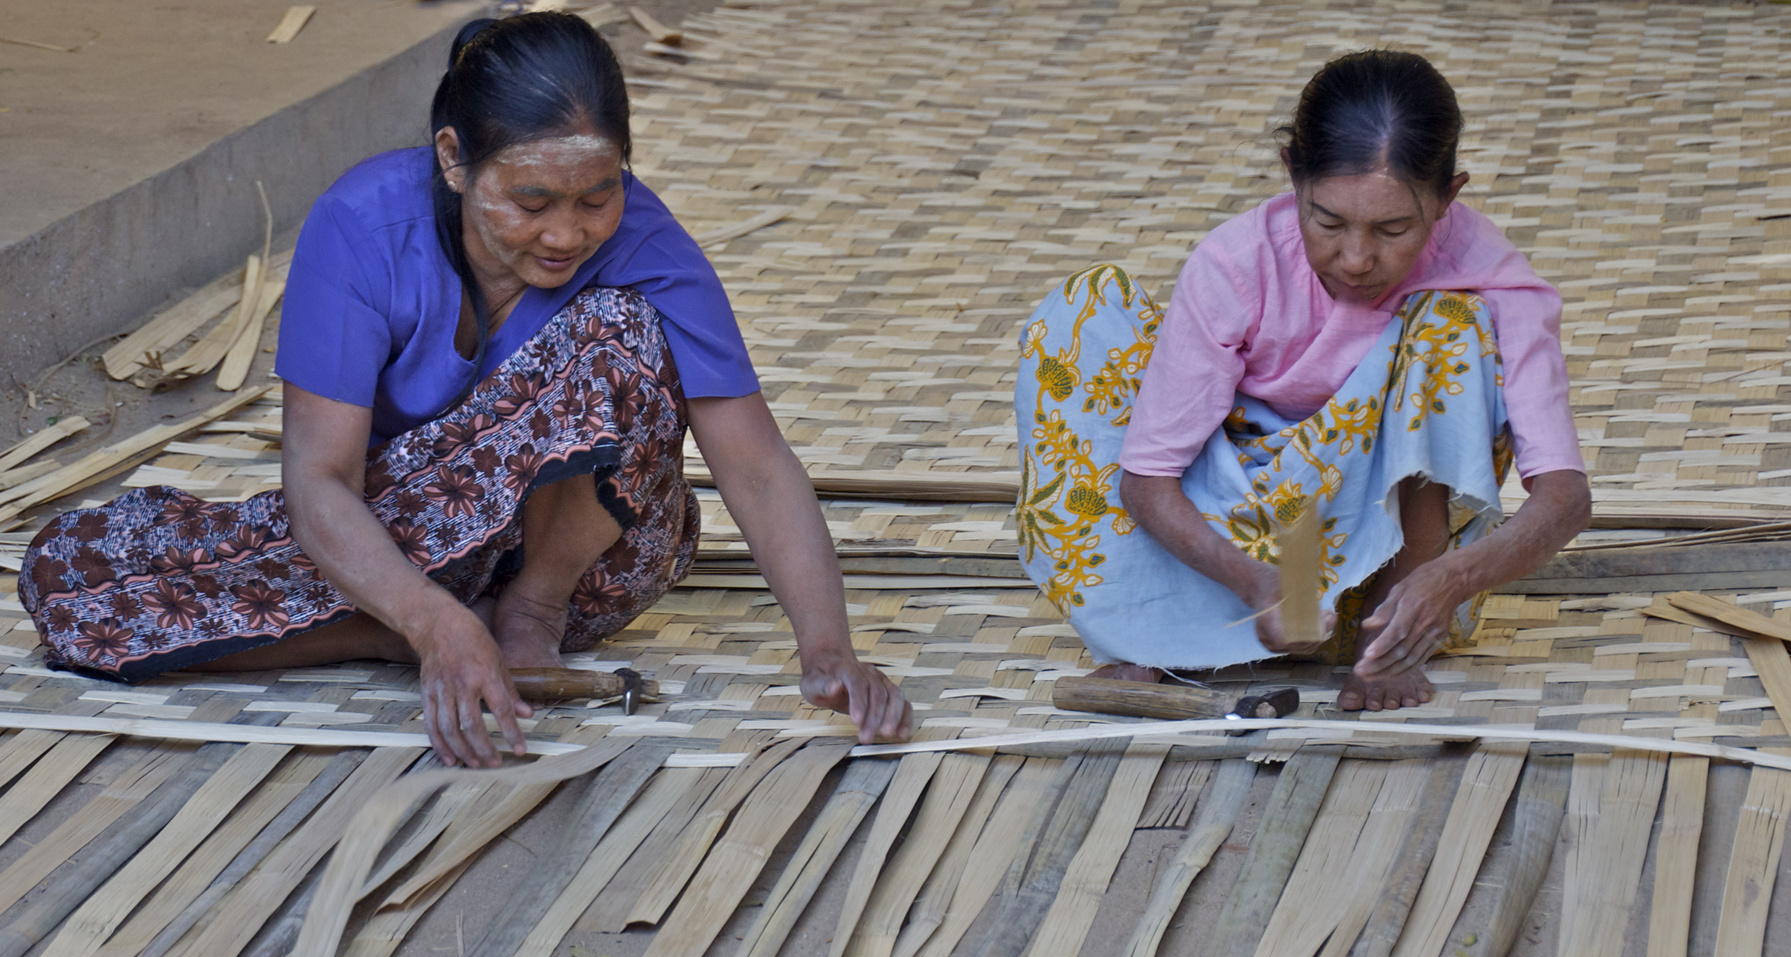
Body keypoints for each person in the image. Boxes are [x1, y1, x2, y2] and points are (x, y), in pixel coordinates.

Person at [21, 13, 912, 764]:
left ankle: (525, 616)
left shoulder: (648, 246)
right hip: (406, 548)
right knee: (75, 579)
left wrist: (827, 647)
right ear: (454, 159)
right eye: (529, 202)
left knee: (621, 334)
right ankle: (420, 630)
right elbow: (320, 480)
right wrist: (428, 621)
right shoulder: (363, 223)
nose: (567, 233)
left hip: (597, 568)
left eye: (597, 196)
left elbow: (753, 465)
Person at [1015, 49, 1590, 711]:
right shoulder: (1234, 264)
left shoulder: (1497, 281)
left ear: (1446, 199)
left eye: (1392, 228)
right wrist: (1260, 584)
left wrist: (1446, 579)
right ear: (1292, 175)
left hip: (1383, 569)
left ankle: (1385, 641)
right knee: (1082, 315)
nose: (1355, 258)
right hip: (1237, 554)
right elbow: (1145, 478)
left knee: (1451, 324)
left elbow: (1564, 497)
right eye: (1327, 221)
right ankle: (1158, 637)